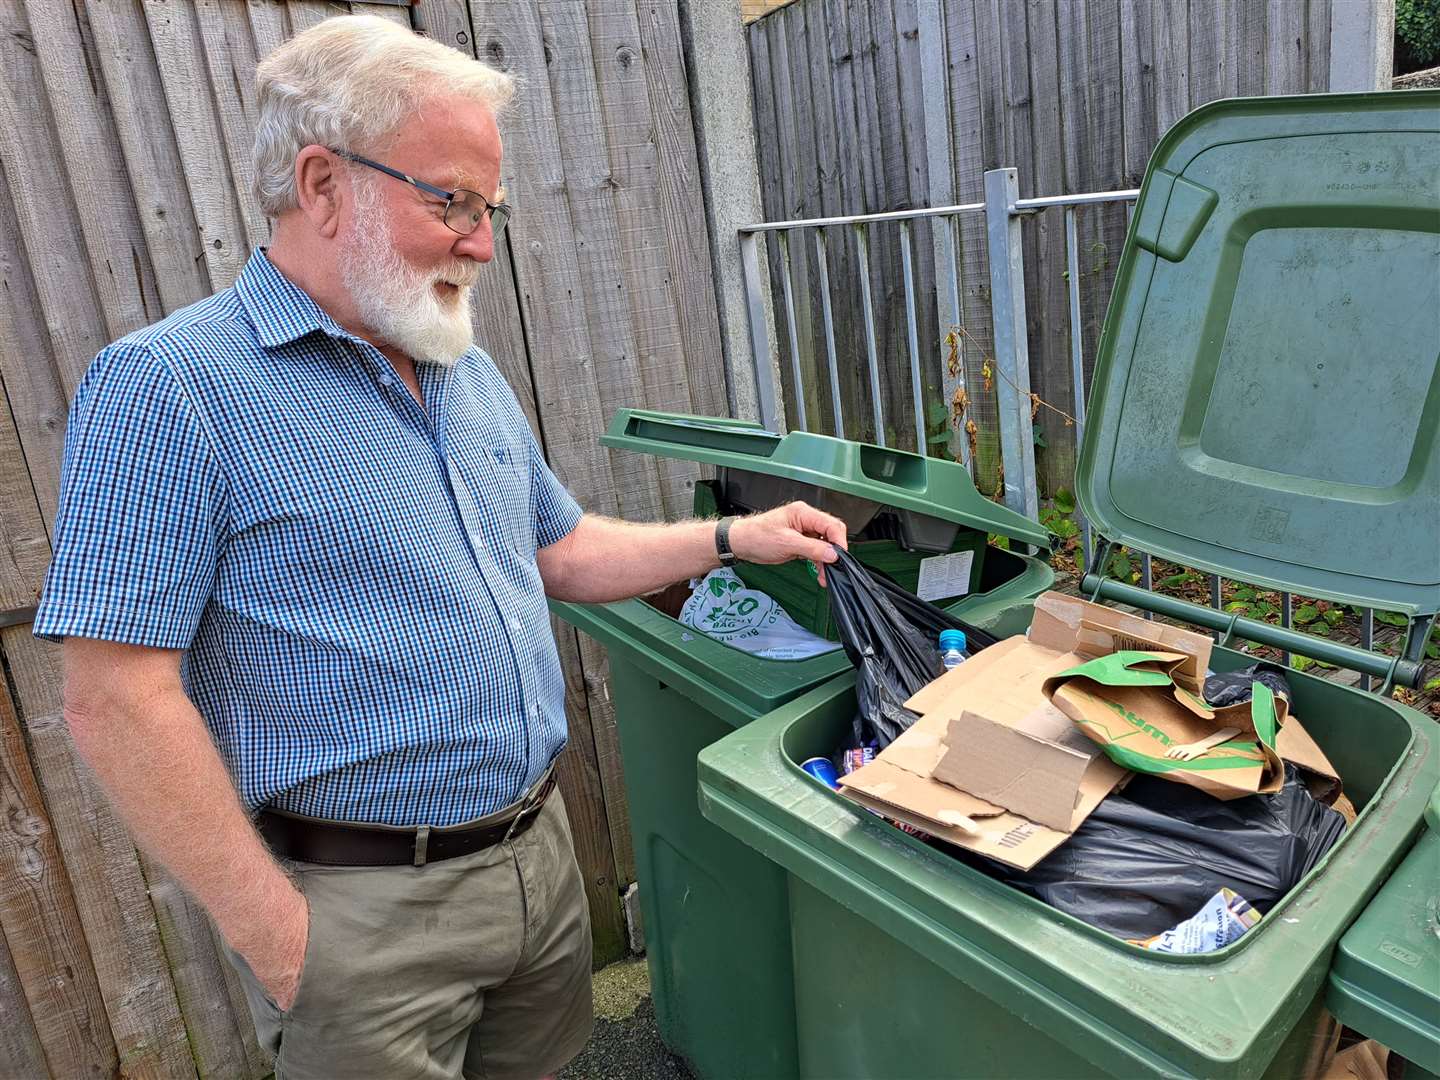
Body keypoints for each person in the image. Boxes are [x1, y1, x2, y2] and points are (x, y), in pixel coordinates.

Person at [34, 15, 847, 1080]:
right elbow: (116, 698)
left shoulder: (456, 365)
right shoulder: (170, 388)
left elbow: (557, 552)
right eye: (451, 201)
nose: (480, 241)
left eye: (489, 208)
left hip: (536, 864)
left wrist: (736, 536)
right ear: (322, 184)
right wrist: (286, 943)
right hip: (362, 915)